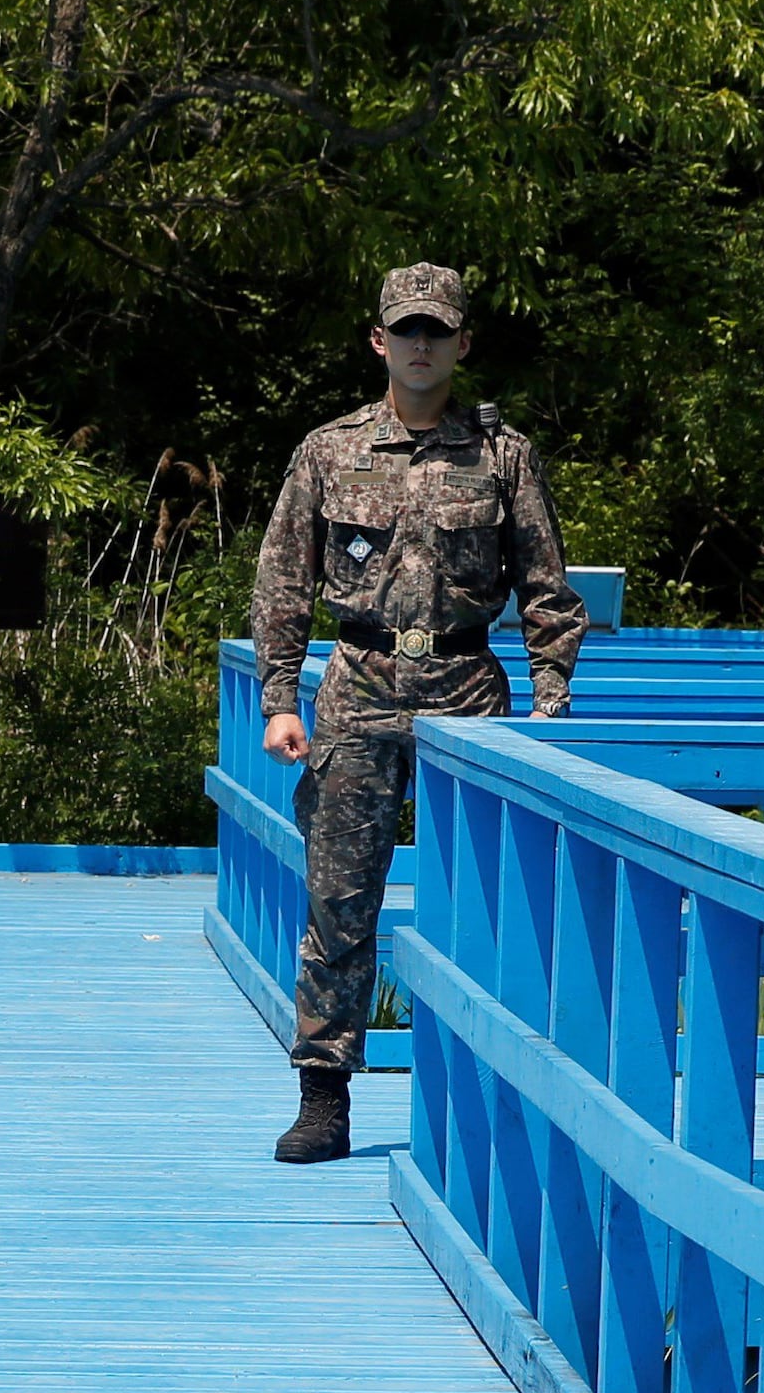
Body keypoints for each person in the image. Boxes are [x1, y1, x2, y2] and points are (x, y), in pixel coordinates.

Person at [248, 263, 589, 1162]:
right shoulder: (328, 451)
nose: (422, 345)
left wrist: (551, 700)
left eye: (438, 330)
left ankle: (481, 1095)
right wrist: (279, 700)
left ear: (463, 342)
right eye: (407, 330)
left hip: (467, 689)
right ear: (380, 341)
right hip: (357, 686)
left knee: (485, 907)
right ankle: (324, 1097)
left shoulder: (504, 456)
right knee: (338, 899)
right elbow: (282, 584)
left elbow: (548, 589)